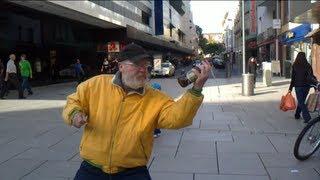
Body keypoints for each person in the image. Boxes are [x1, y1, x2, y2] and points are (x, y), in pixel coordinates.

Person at [62, 43, 211, 180]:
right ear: (121, 67)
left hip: (133, 172)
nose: (143, 70)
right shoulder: (96, 84)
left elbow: (178, 119)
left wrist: (196, 89)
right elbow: (74, 101)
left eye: (146, 66)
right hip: (91, 169)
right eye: (137, 65)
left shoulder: (156, 98)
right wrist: (74, 114)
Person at [289, 52, 318, 123]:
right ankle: (297, 114)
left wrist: (290, 88)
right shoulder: (308, 65)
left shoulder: (295, 65)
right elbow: (311, 76)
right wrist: (315, 85)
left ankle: (307, 117)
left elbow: (293, 78)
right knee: (301, 101)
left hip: (298, 86)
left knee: (301, 101)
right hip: (306, 86)